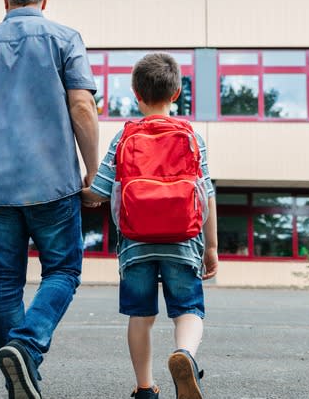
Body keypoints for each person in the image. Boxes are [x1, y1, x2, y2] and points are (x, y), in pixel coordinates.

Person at [0, 0, 99, 398]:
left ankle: (17, 379)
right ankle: (26, 346)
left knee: (5, 284)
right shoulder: (65, 39)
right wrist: (93, 172)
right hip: (54, 184)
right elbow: (82, 108)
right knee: (64, 270)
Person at [81, 53, 219, 399]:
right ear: (176, 94)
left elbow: (98, 193)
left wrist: (77, 190)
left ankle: (145, 387)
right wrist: (212, 248)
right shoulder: (191, 136)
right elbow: (206, 195)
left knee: (140, 315)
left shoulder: (124, 136)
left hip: (135, 243)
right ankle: (184, 353)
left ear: (135, 93)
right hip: (184, 240)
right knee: (188, 309)